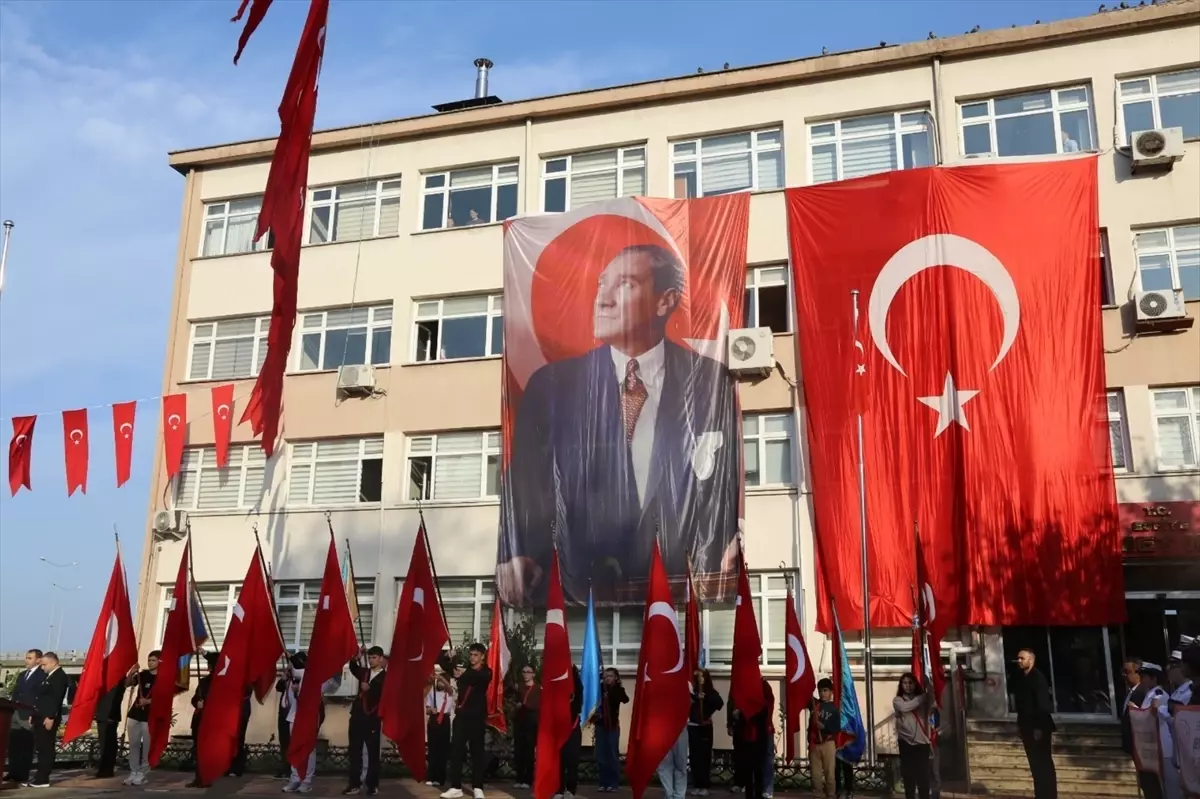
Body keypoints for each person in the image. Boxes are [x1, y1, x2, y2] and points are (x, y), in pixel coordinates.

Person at [498, 243, 740, 605]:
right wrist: (516, 553)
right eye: (601, 284)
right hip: (580, 591)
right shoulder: (553, 386)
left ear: (665, 301)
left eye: (625, 284)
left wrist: (733, 534)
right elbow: (526, 484)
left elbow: (725, 480)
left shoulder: (709, 381)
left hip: (681, 591)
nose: (603, 300)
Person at [441, 643, 493, 799]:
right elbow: (445, 666)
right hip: (461, 717)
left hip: (477, 718)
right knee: (456, 751)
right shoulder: (464, 671)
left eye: (476, 655)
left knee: (477, 752)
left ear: (482, 656)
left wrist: (461, 673)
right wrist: (448, 657)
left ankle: (478, 787)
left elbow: (476, 678)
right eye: (471, 654)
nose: (472, 658)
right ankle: (456, 786)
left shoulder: (486, 672)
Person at [282, 653, 340, 794]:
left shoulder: (320, 678)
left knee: (308, 749)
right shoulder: (298, 674)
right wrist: (290, 659)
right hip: (294, 716)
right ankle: (295, 779)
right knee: (295, 747)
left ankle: (306, 781)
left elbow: (334, 683)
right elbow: (295, 668)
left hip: (310, 717)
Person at [1011, 649, 1057, 799]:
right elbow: (1022, 706)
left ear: (1031, 660)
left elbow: (1042, 705)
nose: (1019, 661)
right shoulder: (1021, 678)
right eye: (1018, 658)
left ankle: (1048, 795)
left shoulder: (1038, 678)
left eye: (1022, 658)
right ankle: (1040, 794)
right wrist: (1019, 725)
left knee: (1043, 763)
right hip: (1026, 726)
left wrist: (1039, 728)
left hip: (1039, 727)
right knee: (1035, 764)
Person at [345, 646, 386, 796]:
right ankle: (354, 784)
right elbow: (353, 667)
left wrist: (370, 689)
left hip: (372, 719)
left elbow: (383, 695)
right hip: (357, 717)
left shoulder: (385, 677)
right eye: (369, 657)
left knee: (372, 753)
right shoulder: (365, 673)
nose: (371, 660)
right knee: (354, 752)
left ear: (381, 659)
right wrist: (357, 656)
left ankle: (372, 784)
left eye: (374, 657)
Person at [25, 652, 69, 788]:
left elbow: (56, 698)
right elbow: (40, 697)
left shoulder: (60, 676)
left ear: (53, 662)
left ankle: (43, 778)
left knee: (46, 748)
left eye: (44, 665)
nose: (42, 668)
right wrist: (33, 714)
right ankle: (39, 775)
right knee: (40, 747)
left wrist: (50, 717)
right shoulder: (49, 676)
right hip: (39, 716)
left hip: (47, 718)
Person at [3, 649, 45, 785]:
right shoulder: (22, 675)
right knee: (14, 744)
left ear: (38, 660)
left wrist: (34, 713)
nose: (26, 660)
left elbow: (40, 696)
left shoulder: (42, 675)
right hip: (15, 712)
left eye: (29, 658)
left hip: (28, 714)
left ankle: (22, 774)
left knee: (25, 745)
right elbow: (16, 693)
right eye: (26, 658)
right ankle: (12, 772)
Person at [124, 650, 162, 786]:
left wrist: (149, 701)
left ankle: (143, 773)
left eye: (153, 660)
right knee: (133, 744)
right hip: (135, 713)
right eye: (149, 660)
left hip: (149, 716)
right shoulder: (143, 675)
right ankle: (133, 771)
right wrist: (131, 672)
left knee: (147, 746)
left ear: (160, 662)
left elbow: (165, 698)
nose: (150, 663)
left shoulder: (163, 678)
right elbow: (127, 684)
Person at [1134, 663, 1171, 799]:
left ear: (1153, 678)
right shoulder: (1149, 694)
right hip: (1150, 748)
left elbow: (1151, 716)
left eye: (1144, 676)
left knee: (1164, 788)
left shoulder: (1159, 695)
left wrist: (1135, 711)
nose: (1142, 679)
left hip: (1161, 747)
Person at [893, 673, 932, 799]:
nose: (908, 686)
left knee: (923, 778)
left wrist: (929, 686)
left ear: (915, 684)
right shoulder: (898, 700)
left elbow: (934, 703)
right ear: (901, 685)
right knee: (909, 777)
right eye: (905, 683)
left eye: (910, 683)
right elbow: (905, 708)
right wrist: (922, 697)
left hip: (922, 742)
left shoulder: (923, 700)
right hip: (906, 742)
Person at [687, 669, 723, 796]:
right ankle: (696, 785)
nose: (699, 679)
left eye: (702, 676)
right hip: (693, 727)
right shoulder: (693, 691)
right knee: (694, 757)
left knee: (704, 757)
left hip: (705, 728)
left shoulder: (710, 692)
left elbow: (719, 703)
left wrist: (706, 697)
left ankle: (704, 786)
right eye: (697, 676)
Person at [593, 667, 629, 792]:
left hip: (612, 726)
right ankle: (603, 782)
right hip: (600, 725)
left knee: (612, 754)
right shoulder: (600, 689)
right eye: (606, 676)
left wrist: (612, 692)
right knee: (601, 754)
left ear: (615, 678)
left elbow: (625, 699)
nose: (607, 678)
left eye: (610, 676)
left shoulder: (618, 689)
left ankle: (613, 783)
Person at [808, 678, 838, 799]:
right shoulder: (814, 704)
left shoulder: (834, 708)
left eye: (825, 690)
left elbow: (836, 727)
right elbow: (805, 694)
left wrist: (824, 727)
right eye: (820, 691)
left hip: (828, 743)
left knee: (829, 773)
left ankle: (831, 794)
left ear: (831, 692)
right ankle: (818, 795)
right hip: (814, 744)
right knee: (815, 774)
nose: (822, 693)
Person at [93, 677, 128, 779]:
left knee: (109, 743)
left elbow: (126, 686)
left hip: (110, 715)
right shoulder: (104, 680)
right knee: (103, 742)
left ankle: (107, 769)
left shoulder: (118, 679)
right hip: (102, 714)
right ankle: (104, 768)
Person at [558, 665, 585, 799]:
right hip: (559, 728)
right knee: (559, 762)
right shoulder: (557, 686)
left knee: (572, 761)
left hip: (573, 728)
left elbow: (579, 693)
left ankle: (570, 789)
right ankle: (559, 789)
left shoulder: (577, 689)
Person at [512, 665, 540, 789]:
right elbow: (513, 700)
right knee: (519, 750)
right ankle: (519, 778)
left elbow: (537, 705)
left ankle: (528, 780)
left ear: (533, 674)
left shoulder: (538, 688)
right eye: (524, 672)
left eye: (528, 672)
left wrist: (525, 705)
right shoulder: (519, 687)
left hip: (532, 722)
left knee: (529, 751)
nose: (526, 674)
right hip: (520, 721)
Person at [426, 670, 455, 787]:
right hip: (434, 719)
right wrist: (430, 710)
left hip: (444, 720)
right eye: (439, 681)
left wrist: (441, 677)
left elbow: (450, 688)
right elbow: (427, 709)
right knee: (432, 749)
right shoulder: (432, 692)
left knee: (442, 750)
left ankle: (440, 778)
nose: (440, 683)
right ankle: (431, 776)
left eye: (442, 681)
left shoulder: (449, 693)